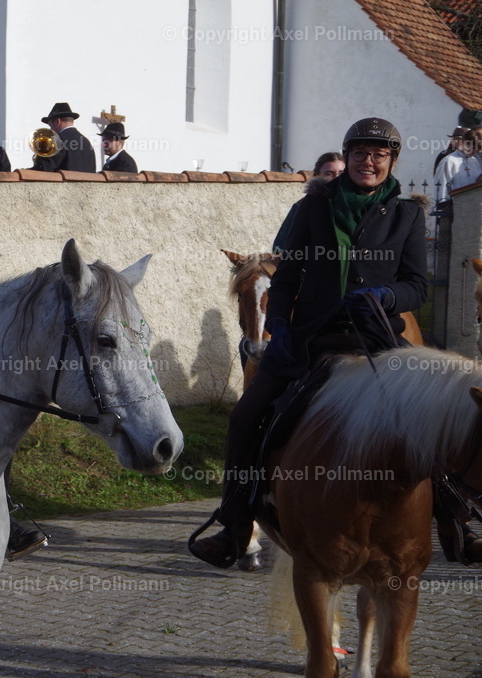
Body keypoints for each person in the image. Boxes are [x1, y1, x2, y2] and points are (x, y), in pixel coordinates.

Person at [189, 117, 428, 569]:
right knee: (245, 416)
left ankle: (458, 517)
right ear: (348, 156)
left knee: (431, 416)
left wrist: (389, 295)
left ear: (392, 161)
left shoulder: (408, 215)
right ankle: (235, 525)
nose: (368, 162)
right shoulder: (311, 209)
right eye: (360, 153)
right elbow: (287, 277)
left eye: (379, 155)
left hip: (376, 340)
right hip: (310, 340)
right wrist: (278, 324)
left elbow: (418, 284)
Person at [272, 152, 345, 252]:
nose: (336, 178)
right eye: (329, 173)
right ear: (318, 175)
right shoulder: (303, 205)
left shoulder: (360, 203)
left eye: (341, 173)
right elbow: (280, 247)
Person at [31, 102, 95, 173]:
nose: (51, 129)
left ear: (57, 121)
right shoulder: (86, 142)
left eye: (50, 126)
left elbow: (44, 169)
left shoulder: (58, 140)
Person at [433, 126, 481, 208]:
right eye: (471, 148)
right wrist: (444, 209)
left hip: (473, 207)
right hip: (454, 207)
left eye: (476, 150)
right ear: (464, 143)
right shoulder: (448, 161)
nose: (473, 152)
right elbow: (441, 187)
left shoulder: (475, 161)